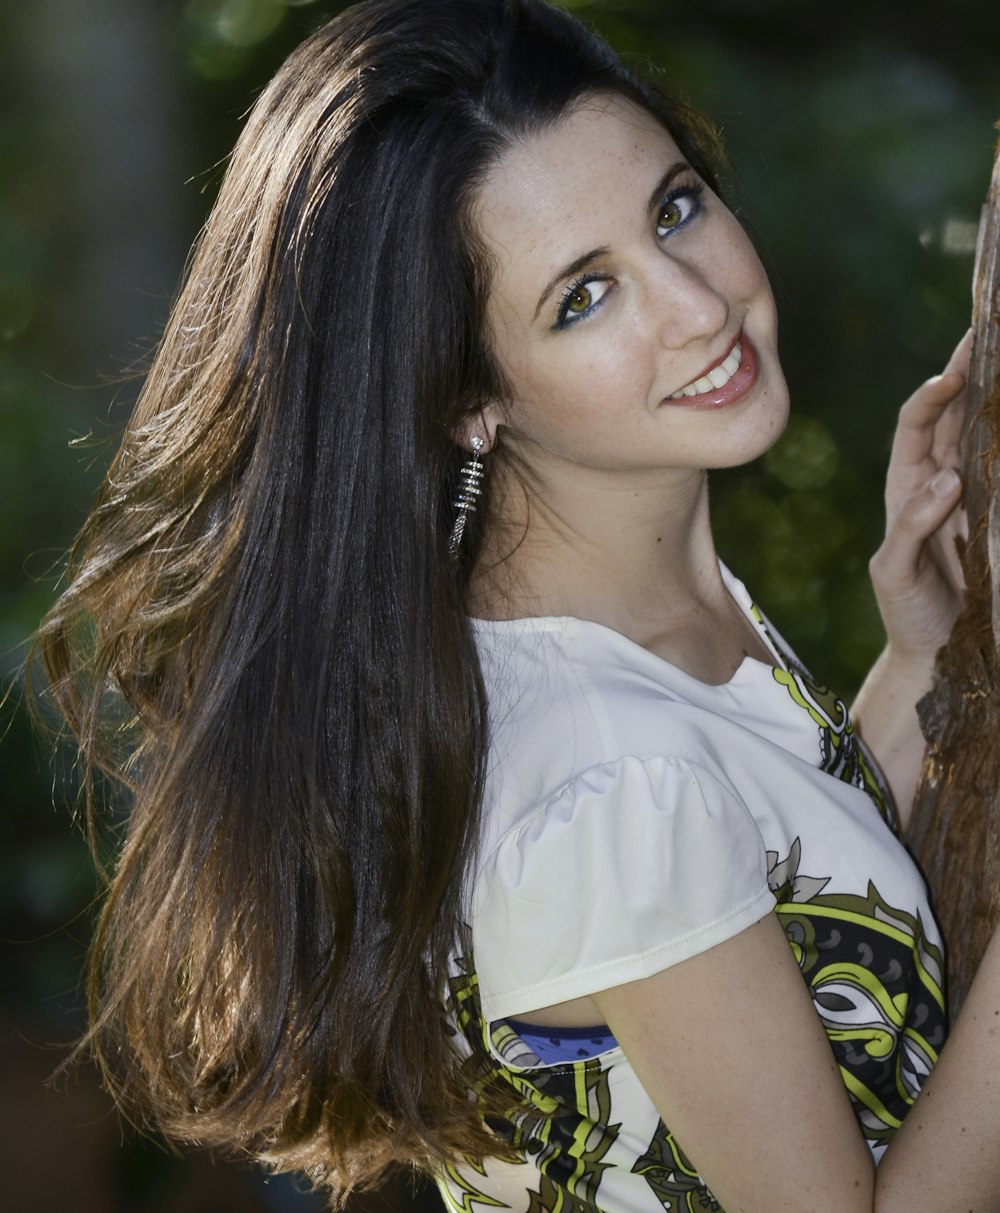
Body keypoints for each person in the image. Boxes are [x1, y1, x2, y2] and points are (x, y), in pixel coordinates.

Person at [33, 0, 999, 1209]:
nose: (696, 306)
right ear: (465, 396)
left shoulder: (618, 645)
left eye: (675, 207)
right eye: (581, 298)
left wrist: (919, 665)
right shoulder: (606, 775)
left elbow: (796, 912)